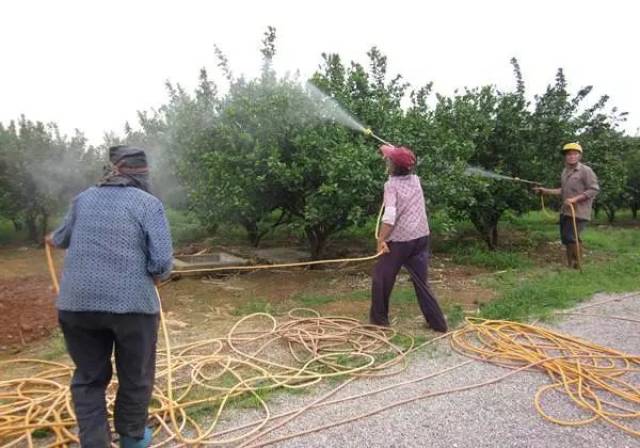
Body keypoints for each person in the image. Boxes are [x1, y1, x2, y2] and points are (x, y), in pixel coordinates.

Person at [45, 145, 173, 448]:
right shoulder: (148, 204)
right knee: (136, 374)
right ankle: (131, 437)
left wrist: (50, 238)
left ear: (112, 170)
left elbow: (60, 238)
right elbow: (162, 262)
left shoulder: (83, 199)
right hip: (133, 307)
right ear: (143, 175)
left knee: (88, 377)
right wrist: (154, 274)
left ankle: (95, 442)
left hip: (77, 307)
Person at [370, 144, 448, 332]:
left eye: (389, 160)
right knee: (421, 282)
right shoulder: (416, 180)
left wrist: (381, 240)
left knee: (381, 279)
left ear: (393, 166)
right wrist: (391, 150)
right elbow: (403, 160)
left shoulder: (391, 186)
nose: (387, 162)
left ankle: (379, 322)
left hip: (399, 242)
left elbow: (389, 217)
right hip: (421, 238)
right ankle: (438, 324)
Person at [534, 142, 599, 268]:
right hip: (566, 211)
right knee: (567, 238)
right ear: (565, 156)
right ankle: (571, 265)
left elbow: (594, 189)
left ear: (579, 155)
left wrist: (575, 199)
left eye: (574, 154)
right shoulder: (565, 171)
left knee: (571, 237)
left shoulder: (586, 171)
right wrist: (545, 191)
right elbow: (563, 190)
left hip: (579, 212)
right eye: (569, 154)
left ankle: (577, 266)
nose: (571, 156)